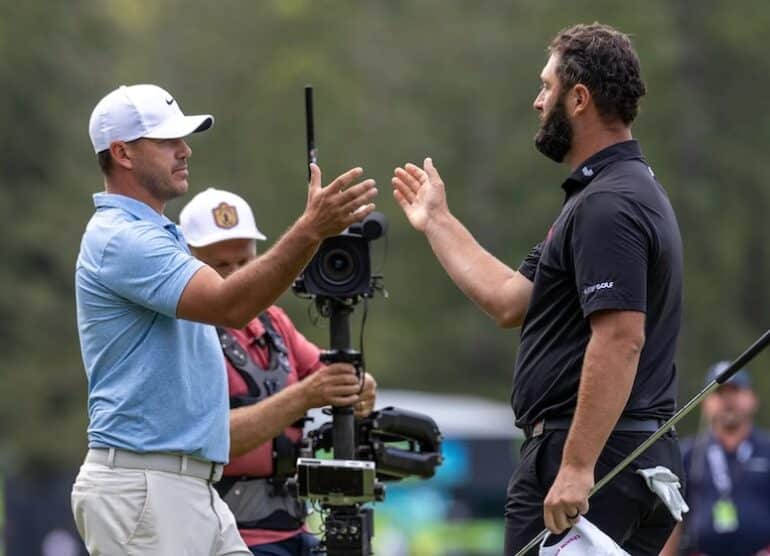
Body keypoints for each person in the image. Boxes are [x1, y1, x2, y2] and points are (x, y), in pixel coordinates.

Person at [391, 23, 684, 555]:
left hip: (592, 458)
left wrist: (575, 467)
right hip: (621, 455)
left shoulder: (608, 205)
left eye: (546, 87)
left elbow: (620, 340)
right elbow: (509, 300)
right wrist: (438, 220)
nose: (537, 101)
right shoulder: (602, 197)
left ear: (578, 98)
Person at [71, 83, 377, 555]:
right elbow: (230, 306)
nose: (185, 150)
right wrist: (311, 229)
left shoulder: (155, 235)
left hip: (186, 485)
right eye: (168, 140)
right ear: (122, 153)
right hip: (145, 485)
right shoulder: (121, 237)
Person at [179, 187, 378, 556]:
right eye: (220, 266)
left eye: (245, 262)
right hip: (224, 538)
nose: (237, 276)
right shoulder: (183, 333)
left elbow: (325, 369)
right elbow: (208, 440)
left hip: (293, 528)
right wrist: (305, 395)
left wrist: (359, 384)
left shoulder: (271, 322)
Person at [661, 362, 770, 556]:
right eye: (720, 393)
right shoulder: (688, 455)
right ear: (705, 403)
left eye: (735, 391)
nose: (728, 400)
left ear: (752, 399)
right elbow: (672, 520)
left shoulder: (767, 449)